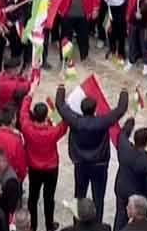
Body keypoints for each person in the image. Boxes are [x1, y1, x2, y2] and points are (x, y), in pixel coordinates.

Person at [54, 85, 129, 218]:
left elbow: (60, 105)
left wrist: (61, 88)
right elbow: (120, 109)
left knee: (79, 195)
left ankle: (77, 223)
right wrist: (124, 91)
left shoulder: (75, 120)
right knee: (98, 197)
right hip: (99, 165)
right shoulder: (102, 122)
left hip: (80, 163)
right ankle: (97, 223)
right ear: (95, 109)